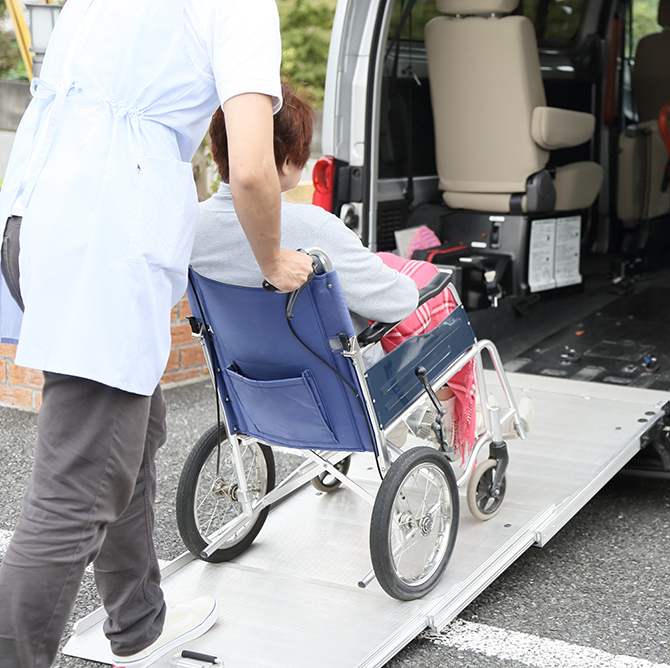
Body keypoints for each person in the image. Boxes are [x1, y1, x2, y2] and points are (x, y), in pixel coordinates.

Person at [0, 1, 313, 667]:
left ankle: (138, 622)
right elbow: (255, 165)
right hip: (101, 231)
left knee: (132, 430)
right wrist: (273, 262)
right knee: (77, 484)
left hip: (35, 214)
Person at [190, 83, 419, 348]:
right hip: (344, 385)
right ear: (288, 159)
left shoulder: (191, 225)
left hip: (244, 380)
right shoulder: (316, 229)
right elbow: (397, 303)